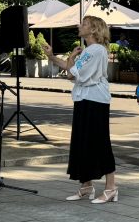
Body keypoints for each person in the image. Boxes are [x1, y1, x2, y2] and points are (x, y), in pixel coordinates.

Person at [44, 17, 117, 204]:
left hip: (94, 101)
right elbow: (73, 70)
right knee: (82, 143)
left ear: (93, 30)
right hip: (86, 99)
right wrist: (52, 57)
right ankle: (87, 186)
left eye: (84, 24)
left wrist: (70, 58)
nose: (79, 26)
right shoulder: (90, 51)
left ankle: (111, 188)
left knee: (100, 143)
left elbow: (70, 74)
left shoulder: (95, 50)